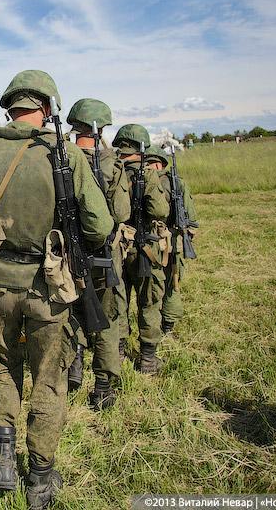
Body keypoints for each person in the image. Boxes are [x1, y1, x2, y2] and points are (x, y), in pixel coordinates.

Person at [0, 70, 113, 509]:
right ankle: (39, 478)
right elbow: (100, 226)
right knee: (49, 377)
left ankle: (4, 456)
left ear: (11, 105)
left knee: (3, 364)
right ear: (47, 106)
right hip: (48, 286)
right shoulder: (62, 154)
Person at [65, 99, 131, 410]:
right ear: (101, 128)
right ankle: (103, 386)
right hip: (104, 253)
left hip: (66, 252)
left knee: (70, 310)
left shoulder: (59, 157)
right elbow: (121, 212)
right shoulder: (111, 164)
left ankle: (73, 365)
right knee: (107, 317)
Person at [112, 126, 170, 375]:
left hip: (118, 249)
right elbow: (159, 212)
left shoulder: (111, 170)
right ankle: (147, 359)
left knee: (118, 301)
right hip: (147, 247)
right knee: (149, 303)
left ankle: (120, 351)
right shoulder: (148, 173)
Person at [144, 144, 198, 338]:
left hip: (149, 244)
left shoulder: (143, 181)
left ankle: (162, 325)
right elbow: (191, 220)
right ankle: (167, 325)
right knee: (172, 284)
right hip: (171, 243)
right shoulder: (176, 183)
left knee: (154, 288)